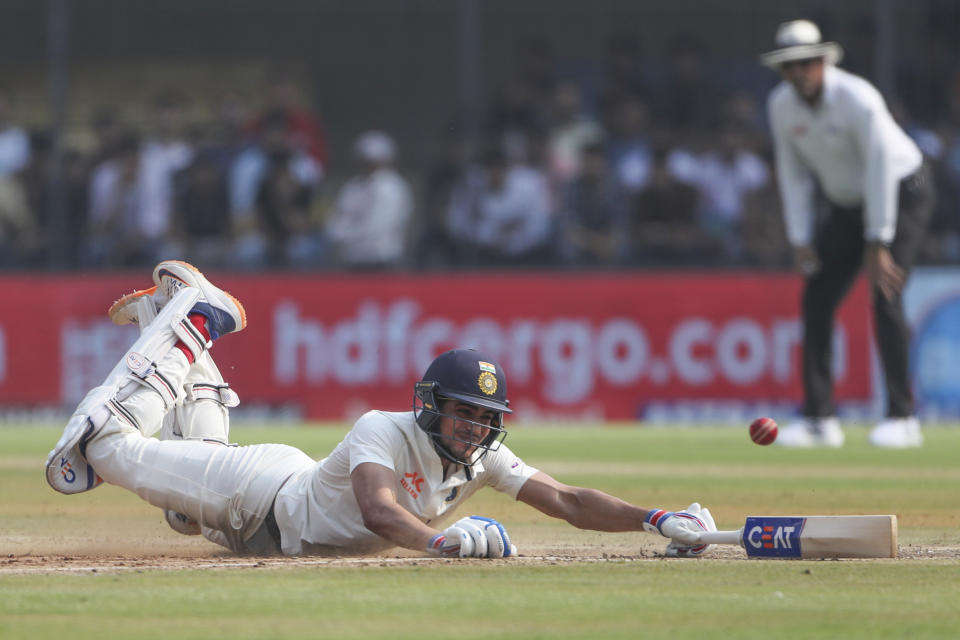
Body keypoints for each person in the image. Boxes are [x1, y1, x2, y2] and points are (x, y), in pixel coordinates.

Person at [46, 260, 716, 558]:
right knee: (105, 449)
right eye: (462, 414)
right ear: (429, 407)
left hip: (251, 521)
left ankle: (158, 319)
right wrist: (441, 540)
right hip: (259, 496)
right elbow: (378, 510)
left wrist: (656, 520)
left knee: (184, 514)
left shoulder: (482, 456)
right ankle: (198, 319)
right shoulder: (381, 430)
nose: (474, 428)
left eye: (485, 418)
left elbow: (568, 501)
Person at [761, 20, 935, 448]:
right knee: (817, 298)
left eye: (805, 63)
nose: (798, 73)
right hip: (844, 206)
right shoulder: (781, 105)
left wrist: (878, 242)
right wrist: (800, 236)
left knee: (886, 291)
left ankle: (903, 417)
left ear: (823, 62)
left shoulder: (859, 99)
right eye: (789, 66)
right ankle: (820, 420)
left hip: (902, 190)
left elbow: (878, 171)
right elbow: (793, 172)